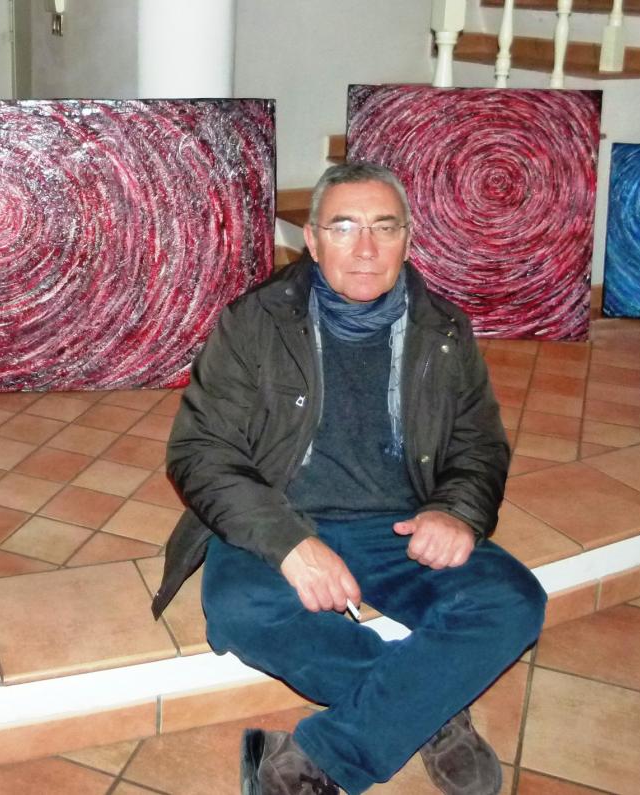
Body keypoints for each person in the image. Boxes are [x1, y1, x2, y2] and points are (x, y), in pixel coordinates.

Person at [150, 162, 548, 795]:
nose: (366, 248)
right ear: (312, 241)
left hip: (398, 525)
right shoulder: (254, 322)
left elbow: (479, 443)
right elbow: (201, 451)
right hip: (281, 513)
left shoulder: (443, 330)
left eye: (384, 228)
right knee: (239, 609)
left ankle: (322, 759)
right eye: (344, 227)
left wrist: (456, 510)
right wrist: (289, 543)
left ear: (407, 239)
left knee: (512, 601)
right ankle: (430, 709)